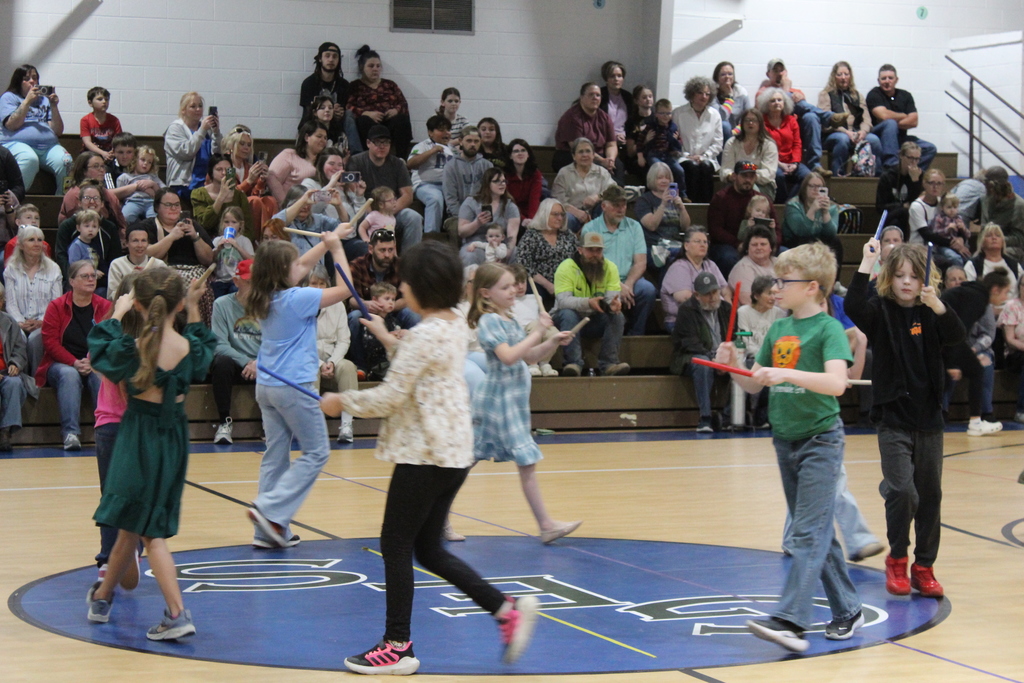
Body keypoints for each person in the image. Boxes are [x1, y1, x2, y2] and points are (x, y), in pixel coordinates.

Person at [320, 241, 540, 676]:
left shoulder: (423, 336)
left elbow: (389, 396)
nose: (400, 287)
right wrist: (389, 338)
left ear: (419, 289)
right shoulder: (455, 322)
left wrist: (339, 401)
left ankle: (397, 645)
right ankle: (504, 609)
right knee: (427, 548)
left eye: (404, 282)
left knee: (395, 543)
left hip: (424, 453)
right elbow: (423, 369)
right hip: (454, 452)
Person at [716, 242, 862, 652]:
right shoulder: (779, 329)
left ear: (812, 287)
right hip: (786, 439)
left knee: (806, 532)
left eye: (785, 281)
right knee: (816, 532)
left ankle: (791, 621)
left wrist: (786, 371)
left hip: (820, 439)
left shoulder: (828, 329)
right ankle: (848, 608)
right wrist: (733, 364)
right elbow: (753, 383)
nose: (776, 287)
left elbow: (836, 384)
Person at [85, 267, 214, 640]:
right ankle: (103, 596)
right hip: (173, 440)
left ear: (138, 304)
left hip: (138, 438)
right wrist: (191, 309)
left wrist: (115, 312)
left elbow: (100, 350)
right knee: (131, 525)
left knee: (151, 534)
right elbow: (204, 345)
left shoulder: (134, 349)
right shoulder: (190, 347)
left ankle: (177, 613)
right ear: (177, 305)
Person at [846, 240, 967, 599]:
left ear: (925, 279)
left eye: (914, 276)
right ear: (888, 277)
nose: (906, 282)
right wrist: (866, 261)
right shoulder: (880, 310)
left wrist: (939, 306)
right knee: (902, 490)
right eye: (899, 275)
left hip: (929, 418)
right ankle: (897, 559)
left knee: (930, 496)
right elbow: (853, 305)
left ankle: (924, 567)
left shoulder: (932, 311)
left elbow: (956, 335)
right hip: (893, 417)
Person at [245, 226, 352, 550]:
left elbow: (303, 265)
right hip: (294, 386)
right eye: (294, 265)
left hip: (268, 386)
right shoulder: (298, 298)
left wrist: (327, 239)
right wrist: (336, 249)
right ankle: (271, 509)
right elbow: (346, 289)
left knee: (275, 456)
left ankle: (268, 531)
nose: (302, 269)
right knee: (317, 451)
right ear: (282, 271)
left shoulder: (264, 294)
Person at [468, 262, 581, 536]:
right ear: (485, 293)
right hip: (497, 402)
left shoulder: (508, 318)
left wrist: (552, 342)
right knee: (465, 462)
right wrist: (540, 331)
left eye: (512, 286)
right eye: (504, 287)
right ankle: (438, 519)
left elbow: (530, 356)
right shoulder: (489, 321)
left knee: (521, 462)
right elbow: (508, 356)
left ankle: (546, 525)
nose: (512, 291)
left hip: (513, 403)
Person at [36, 260, 112, 451]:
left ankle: (105, 431)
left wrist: (92, 360)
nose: (90, 279)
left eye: (93, 276)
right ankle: (70, 434)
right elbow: (50, 343)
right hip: (61, 363)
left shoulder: (104, 306)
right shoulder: (57, 306)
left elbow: (109, 340)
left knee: (100, 374)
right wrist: (74, 362)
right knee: (69, 375)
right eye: (84, 276)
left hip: (93, 360)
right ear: (72, 281)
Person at [941, 268, 1010, 435]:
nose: (1006, 297)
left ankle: (976, 421)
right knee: (976, 369)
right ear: (995, 289)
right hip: (939, 336)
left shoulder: (974, 294)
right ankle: (975, 422)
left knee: (977, 369)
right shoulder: (977, 299)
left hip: (944, 336)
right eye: (1006, 292)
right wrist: (952, 363)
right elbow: (956, 330)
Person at [551, 232, 630, 376]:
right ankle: (573, 363)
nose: (595, 254)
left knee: (618, 316)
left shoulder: (610, 268)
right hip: (568, 320)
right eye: (590, 250)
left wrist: (612, 306)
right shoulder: (566, 267)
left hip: (594, 319)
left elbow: (611, 299)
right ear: (580, 250)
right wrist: (588, 303)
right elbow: (562, 301)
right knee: (567, 313)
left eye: (598, 250)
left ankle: (610, 364)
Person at [581, 185, 654, 336]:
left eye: (624, 205)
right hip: (601, 280)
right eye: (616, 205)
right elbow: (593, 265)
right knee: (602, 293)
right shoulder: (590, 229)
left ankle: (635, 335)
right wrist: (617, 285)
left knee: (647, 290)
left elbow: (640, 262)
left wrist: (628, 284)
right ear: (604, 206)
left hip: (628, 280)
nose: (621, 209)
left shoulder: (634, 227)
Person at [345, 230, 419, 371]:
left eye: (391, 250)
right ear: (371, 249)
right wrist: (365, 304)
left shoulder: (402, 265)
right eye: (382, 250)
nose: (387, 255)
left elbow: (409, 298)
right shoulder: (357, 265)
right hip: (367, 311)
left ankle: (411, 364)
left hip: (394, 311)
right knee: (354, 317)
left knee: (412, 314)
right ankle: (360, 366)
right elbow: (350, 299)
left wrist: (391, 306)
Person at [670, 271, 732, 433]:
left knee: (746, 365)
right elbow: (690, 343)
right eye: (707, 294)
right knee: (703, 364)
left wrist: (728, 357)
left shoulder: (726, 309)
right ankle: (705, 418)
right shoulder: (686, 310)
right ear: (697, 295)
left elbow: (734, 336)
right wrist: (714, 359)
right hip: (692, 356)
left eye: (715, 292)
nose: (712, 297)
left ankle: (728, 415)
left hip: (722, 357)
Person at [346, 124, 423, 252]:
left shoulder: (398, 164)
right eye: (377, 142)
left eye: (386, 142)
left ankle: (409, 262)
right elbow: (352, 191)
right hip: (364, 209)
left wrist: (387, 213)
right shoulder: (356, 161)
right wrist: (374, 214)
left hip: (391, 210)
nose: (382, 146)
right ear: (368, 143)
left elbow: (407, 195)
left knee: (413, 217)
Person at [210, 259, 260, 447]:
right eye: (248, 282)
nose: (253, 287)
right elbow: (219, 344)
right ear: (236, 281)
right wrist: (247, 362)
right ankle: (224, 422)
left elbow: (276, 344)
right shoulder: (222, 304)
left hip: (263, 365)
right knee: (221, 362)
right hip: (237, 365)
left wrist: (259, 363)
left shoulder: (271, 305)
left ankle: (272, 424)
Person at [0, 64, 72, 193]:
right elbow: (11, 125)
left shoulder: (44, 100)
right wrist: (27, 101)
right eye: (26, 79)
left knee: (66, 162)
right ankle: (14, 199)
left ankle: (62, 202)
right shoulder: (9, 97)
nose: (32, 81)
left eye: (34, 78)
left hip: (48, 146)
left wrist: (54, 106)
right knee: (29, 159)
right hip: (15, 143)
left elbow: (58, 131)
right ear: (18, 82)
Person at [4, 225, 62, 374]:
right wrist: (20, 323)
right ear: (21, 245)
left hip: (45, 321)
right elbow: (10, 303)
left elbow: (56, 303)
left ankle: (37, 381)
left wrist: (42, 321)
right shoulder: (11, 269)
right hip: (18, 321)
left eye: (40, 240)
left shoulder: (54, 269)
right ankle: (21, 378)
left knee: (36, 339)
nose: (37, 244)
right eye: (31, 240)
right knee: (20, 338)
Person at [708, 161, 780, 277]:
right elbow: (716, 230)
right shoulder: (721, 198)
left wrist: (773, 244)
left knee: (784, 254)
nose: (748, 180)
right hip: (729, 245)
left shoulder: (763, 200)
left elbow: (776, 227)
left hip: (760, 243)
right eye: (744, 176)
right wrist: (738, 244)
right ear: (735, 176)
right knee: (728, 258)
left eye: (751, 176)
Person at [866, 64, 937, 170]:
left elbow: (914, 121)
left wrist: (894, 123)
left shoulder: (905, 95)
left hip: (901, 138)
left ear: (896, 80)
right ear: (878, 80)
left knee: (930, 148)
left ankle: (909, 174)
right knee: (890, 123)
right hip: (879, 137)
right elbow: (884, 116)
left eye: (890, 78)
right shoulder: (874, 94)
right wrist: (903, 115)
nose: (887, 81)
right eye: (883, 78)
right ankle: (892, 165)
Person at [735, 275, 784, 427]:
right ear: (756, 295)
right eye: (769, 293)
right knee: (754, 366)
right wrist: (763, 356)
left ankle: (766, 415)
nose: (773, 297)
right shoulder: (744, 312)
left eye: (774, 293)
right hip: (752, 357)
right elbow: (745, 340)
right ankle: (742, 415)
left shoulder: (778, 314)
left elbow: (779, 342)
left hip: (772, 358)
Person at [347, 45, 413, 158]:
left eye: (378, 66)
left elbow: (403, 104)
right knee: (363, 121)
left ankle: (402, 160)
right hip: (369, 125)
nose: (375, 69)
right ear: (362, 67)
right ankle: (367, 159)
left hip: (389, 123)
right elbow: (348, 107)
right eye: (371, 66)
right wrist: (365, 113)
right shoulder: (355, 86)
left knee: (402, 120)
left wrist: (396, 110)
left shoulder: (390, 85)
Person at [818, 62, 883, 176]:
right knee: (843, 140)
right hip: (835, 133)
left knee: (874, 140)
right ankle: (837, 176)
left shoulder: (858, 96)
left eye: (846, 74)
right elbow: (826, 120)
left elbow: (866, 120)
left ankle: (876, 178)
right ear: (834, 77)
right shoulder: (826, 95)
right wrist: (847, 132)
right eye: (839, 74)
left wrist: (863, 132)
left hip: (857, 132)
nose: (843, 78)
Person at [661, 227, 730, 331]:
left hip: (712, 318)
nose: (702, 245)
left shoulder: (711, 265)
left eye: (705, 242)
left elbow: (725, 290)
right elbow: (685, 298)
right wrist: (718, 302)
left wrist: (728, 309)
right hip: (684, 320)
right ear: (686, 245)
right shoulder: (679, 267)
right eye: (697, 241)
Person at [515, 198, 579, 311]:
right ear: (544, 214)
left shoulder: (568, 235)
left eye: (562, 215)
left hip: (566, 283)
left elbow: (578, 259)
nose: (560, 218)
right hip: (539, 284)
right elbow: (524, 265)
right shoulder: (531, 236)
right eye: (555, 214)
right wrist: (548, 285)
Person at [298, 42, 361, 154]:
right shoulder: (309, 83)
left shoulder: (344, 85)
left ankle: (356, 155)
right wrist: (323, 109)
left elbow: (344, 109)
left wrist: (339, 112)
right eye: (327, 56)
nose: (331, 59)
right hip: (314, 122)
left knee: (349, 114)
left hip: (336, 123)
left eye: (335, 56)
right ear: (320, 59)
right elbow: (307, 112)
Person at [54, 182, 123, 284]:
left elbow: (114, 258)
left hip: (103, 281)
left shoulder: (109, 227)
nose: (92, 202)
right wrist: (73, 279)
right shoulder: (67, 226)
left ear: (102, 203)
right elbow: (61, 256)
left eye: (96, 198)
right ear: (79, 203)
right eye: (87, 198)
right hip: (75, 280)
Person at [553, 83, 621, 182]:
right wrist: (602, 161)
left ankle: (619, 193)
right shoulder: (572, 117)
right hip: (573, 155)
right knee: (596, 167)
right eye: (591, 95)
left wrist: (610, 160)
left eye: (598, 95)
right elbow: (578, 147)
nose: (595, 98)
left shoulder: (604, 117)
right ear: (581, 97)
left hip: (598, 155)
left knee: (618, 165)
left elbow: (611, 144)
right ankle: (608, 193)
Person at [164, 92, 220, 206]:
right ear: (183, 110)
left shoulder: (205, 128)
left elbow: (217, 155)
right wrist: (202, 131)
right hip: (184, 185)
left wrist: (216, 132)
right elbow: (187, 152)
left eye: (200, 106)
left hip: (206, 182)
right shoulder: (175, 129)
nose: (198, 109)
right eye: (193, 106)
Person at [672, 76, 723, 203]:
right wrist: (687, 155)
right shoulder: (678, 113)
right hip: (684, 158)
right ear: (692, 93)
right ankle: (690, 204)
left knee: (705, 167)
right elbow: (674, 141)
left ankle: (706, 205)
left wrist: (704, 156)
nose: (704, 96)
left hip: (707, 158)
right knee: (692, 167)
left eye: (707, 94)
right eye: (700, 92)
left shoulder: (715, 115)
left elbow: (718, 143)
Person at [634, 162, 692, 272]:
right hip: (653, 247)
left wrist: (682, 208)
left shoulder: (674, 199)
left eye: (667, 177)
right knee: (674, 260)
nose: (664, 181)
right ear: (652, 179)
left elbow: (686, 227)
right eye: (660, 178)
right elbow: (651, 225)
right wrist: (663, 204)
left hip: (675, 244)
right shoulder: (644, 200)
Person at [458, 167, 520, 266]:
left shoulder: (510, 206)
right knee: (469, 256)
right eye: (497, 181)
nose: (502, 184)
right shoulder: (471, 202)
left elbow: (511, 236)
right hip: (476, 244)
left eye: (504, 181)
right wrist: (477, 223)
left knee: (518, 254)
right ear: (487, 184)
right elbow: (461, 232)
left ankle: (515, 281)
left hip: (500, 245)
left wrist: (505, 255)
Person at [552, 137, 615, 233]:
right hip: (573, 214)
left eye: (588, 151)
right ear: (574, 156)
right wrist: (576, 212)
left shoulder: (602, 172)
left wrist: (598, 197)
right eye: (580, 152)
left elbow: (614, 191)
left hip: (596, 214)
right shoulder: (564, 173)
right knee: (565, 218)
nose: (585, 155)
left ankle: (604, 244)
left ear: (593, 155)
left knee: (607, 210)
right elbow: (557, 200)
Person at [911, 170, 971, 270]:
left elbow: (956, 221)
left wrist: (961, 239)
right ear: (924, 184)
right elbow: (928, 235)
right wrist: (953, 244)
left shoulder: (943, 202)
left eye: (939, 183)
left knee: (968, 258)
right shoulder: (917, 206)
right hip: (921, 247)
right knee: (949, 261)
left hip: (942, 244)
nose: (935, 187)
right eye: (932, 183)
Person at [223, 125, 278, 234]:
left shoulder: (249, 167)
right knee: (255, 201)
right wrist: (248, 181)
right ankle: (259, 238)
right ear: (231, 145)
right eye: (242, 144)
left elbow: (255, 193)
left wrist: (261, 181)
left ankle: (272, 236)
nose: (246, 148)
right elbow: (230, 194)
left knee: (270, 201)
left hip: (248, 203)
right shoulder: (224, 166)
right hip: (228, 203)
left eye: (249, 145)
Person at [758, 87, 809, 202]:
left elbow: (797, 144)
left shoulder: (791, 120)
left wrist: (795, 163)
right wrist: (780, 165)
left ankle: (790, 202)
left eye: (779, 100)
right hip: (772, 162)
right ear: (767, 104)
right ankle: (780, 204)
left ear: (784, 103)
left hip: (791, 161)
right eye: (773, 101)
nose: (777, 103)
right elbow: (762, 148)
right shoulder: (761, 122)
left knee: (808, 176)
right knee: (778, 176)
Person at [58, 152, 127, 235]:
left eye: (102, 166)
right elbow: (76, 224)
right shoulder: (74, 194)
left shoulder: (109, 194)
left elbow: (121, 222)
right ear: (84, 171)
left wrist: (123, 236)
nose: (101, 170)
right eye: (96, 166)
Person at [407, 114, 454, 235]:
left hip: (448, 186)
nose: (446, 133)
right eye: (441, 130)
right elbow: (410, 164)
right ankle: (431, 236)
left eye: (448, 130)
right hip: (425, 185)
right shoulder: (422, 146)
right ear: (430, 132)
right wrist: (432, 151)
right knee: (435, 198)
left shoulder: (453, 149)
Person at [782, 172, 842, 266]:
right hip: (796, 241)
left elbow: (831, 234)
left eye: (819, 187)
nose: (816, 190)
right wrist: (813, 209)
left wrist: (825, 212)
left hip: (819, 240)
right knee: (806, 240)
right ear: (805, 188)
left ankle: (834, 279)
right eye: (812, 186)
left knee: (835, 242)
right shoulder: (793, 205)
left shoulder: (832, 207)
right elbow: (801, 231)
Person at [719, 108, 779, 199]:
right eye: (747, 120)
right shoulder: (732, 143)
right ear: (742, 123)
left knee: (750, 190)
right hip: (736, 183)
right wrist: (734, 176)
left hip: (763, 186)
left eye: (754, 120)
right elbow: (725, 170)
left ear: (760, 123)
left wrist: (748, 177)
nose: (750, 123)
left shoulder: (769, 145)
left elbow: (769, 173)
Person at [0, 282, 32, 450]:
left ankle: (5, 432)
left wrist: (16, 363)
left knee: (15, 383)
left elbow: (20, 349)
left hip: (6, 372)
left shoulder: (9, 322)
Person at [267, 121, 329, 205]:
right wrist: (285, 204)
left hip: (316, 208)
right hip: (291, 207)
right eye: (319, 136)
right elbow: (272, 177)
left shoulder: (325, 162)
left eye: (325, 138)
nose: (323, 140)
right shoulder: (289, 155)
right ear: (307, 137)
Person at [442, 125, 492, 221]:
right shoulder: (450, 166)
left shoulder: (488, 166)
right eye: (469, 141)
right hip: (456, 217)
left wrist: (482, 217)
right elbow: (451, 199)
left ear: (480, 142)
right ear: (460, 141)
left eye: (476, 141)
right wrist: (464, 218)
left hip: (483, 216)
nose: (473, 144)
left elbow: (490, 195)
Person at [638, 99, 686, 196]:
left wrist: (676, 141)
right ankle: (656, 194)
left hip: (668, 155)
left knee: (679, 170)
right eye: (662, 113)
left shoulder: (673, 127)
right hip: (654, 153)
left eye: (668, 113)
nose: (665, 116)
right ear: (656, 114)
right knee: (659, 169)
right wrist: (640, 156)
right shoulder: (651, 126)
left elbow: (679, 143)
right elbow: (640, 141)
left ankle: (681, 194)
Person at [106, 226, 166, 299]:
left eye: (143, 240)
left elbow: (165, 293)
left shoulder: (159, 265)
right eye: (135, 241)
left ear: (148, 243)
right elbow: (112, 295)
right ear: (126, 243)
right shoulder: (117, 264)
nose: (140, 245)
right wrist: (131, 280)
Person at [876, 141, 924, 233]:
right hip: (891, 215)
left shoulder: (920, 176)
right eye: (910, 158)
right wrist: (902, 206)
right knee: (901, 214)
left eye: (917, 159)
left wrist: (915, 181)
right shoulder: (888, 176)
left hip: (913, 216)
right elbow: (880, 206)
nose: (914, 162)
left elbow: (919, 202)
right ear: (901, 156)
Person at [978, 166, 1024, 258]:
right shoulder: (984, 200)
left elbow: (1019, 238)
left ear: (992, 186)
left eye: (986, 184)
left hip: (1010, 248)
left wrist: (997, 240)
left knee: (998, 256)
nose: (984, 186)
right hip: (986, 245)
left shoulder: (1018, 205)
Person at [67, 209, 115, 295]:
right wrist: (94, 272)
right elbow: (74, 266)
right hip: (82, 280)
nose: (90, 229)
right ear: (78, 228)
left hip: (94, 280)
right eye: (87, 226)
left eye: (94, 226)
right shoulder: (76, 246)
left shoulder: (95, 244)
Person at [210, 207, 254, 299]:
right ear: (222, 223)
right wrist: (218, 248)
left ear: (240, 224)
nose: (230, 225)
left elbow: (252, 260)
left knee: (234, 295)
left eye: (234, 222)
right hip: (220, 280)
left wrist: (237, 246)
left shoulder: (244, 240)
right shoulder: (217, 240)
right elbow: (210, 259)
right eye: (226, 222)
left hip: (237, 279)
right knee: (216, 296)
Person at [964, 223, 1024, 291]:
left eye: (998, 235)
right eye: (989, 235)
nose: (994, 238)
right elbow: (968, 292)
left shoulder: (1014, 265)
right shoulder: (973, 265)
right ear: (982, 242)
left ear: (1002, 242)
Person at [729, 225, 778, 306]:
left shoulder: (778, 262)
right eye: (754, 245)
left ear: (770, 248)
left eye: (763, 244)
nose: (759, 248)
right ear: (747, 248)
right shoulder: (743, 267)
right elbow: (748, 301)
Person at [997, 276, 1024, 422]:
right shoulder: (1012, 306)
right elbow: (1010, 339)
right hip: (1015, 353)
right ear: (1019, 287)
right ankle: (1021, 410)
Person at [116, 145, 164, 225]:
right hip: (133, 201)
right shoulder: (125, 177)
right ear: (135, 160)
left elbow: (164, 192)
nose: (145, 163)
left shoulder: (152, 177)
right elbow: (120, 194)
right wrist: (140, 187)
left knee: (156, 220)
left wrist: (153, 184)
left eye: (149, 162)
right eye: (143, 160)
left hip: (151, 202)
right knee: (125, 217)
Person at [924, 193, 972, 271]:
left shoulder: (958, 218)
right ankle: (957, 275)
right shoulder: (939, 218)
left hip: (957, 245)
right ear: (942, 208)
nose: (952, 210)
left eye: (955, 207)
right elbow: (936, 233)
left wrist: (963, 228)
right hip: (942, 246)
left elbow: (968, 235)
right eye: (949, 207)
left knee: (969, 258)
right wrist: (947, 228)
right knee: (955, 258)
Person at [504, 139, 543, 228]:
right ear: (510, 155)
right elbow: (507, 202)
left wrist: (531, 220)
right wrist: (522, 219)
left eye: (523, 150)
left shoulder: (535, 174)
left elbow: (534, 199)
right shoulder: (504, 175)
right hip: (510, 213)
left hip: (531, 214)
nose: (520, 153)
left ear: (528, 154)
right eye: (516, 151)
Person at [712, 61, 752, 144]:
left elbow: (749, 116)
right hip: (717, 134)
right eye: (723, 74)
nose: (727, 77)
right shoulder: (712, 93)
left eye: (730, 74)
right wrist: (729, 97)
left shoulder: (740, 92)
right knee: (725, 126)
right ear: (717, 77)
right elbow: (720, 118)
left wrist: (735, 131)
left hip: (739, 132)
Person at [599, 60, 633, 154]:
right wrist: (613, 136)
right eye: (612, 76)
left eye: (619, 76)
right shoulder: (599, 95)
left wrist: (627, 136)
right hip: (605, 142)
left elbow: (631, 122)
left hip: (625, 141)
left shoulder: (628, 97)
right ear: (606, 79)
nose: (616, 79)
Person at [79, 86, 122, 160]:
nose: (104, 102)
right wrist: (102, 153)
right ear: (90, 103)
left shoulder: (114, 120)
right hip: (90, 153)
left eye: (106, 99)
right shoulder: (85, 120)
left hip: (110, 153)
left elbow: (118, 141)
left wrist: (113, 151)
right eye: (100, 99)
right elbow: (87, 142)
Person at [623, 85, 654, 177]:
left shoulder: (657, 118)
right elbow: (630, 152)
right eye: (644, 97)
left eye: (650, 96)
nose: (648, 99)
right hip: (638, 159)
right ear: (636, 101)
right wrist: (644, 141)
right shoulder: (632, 122)